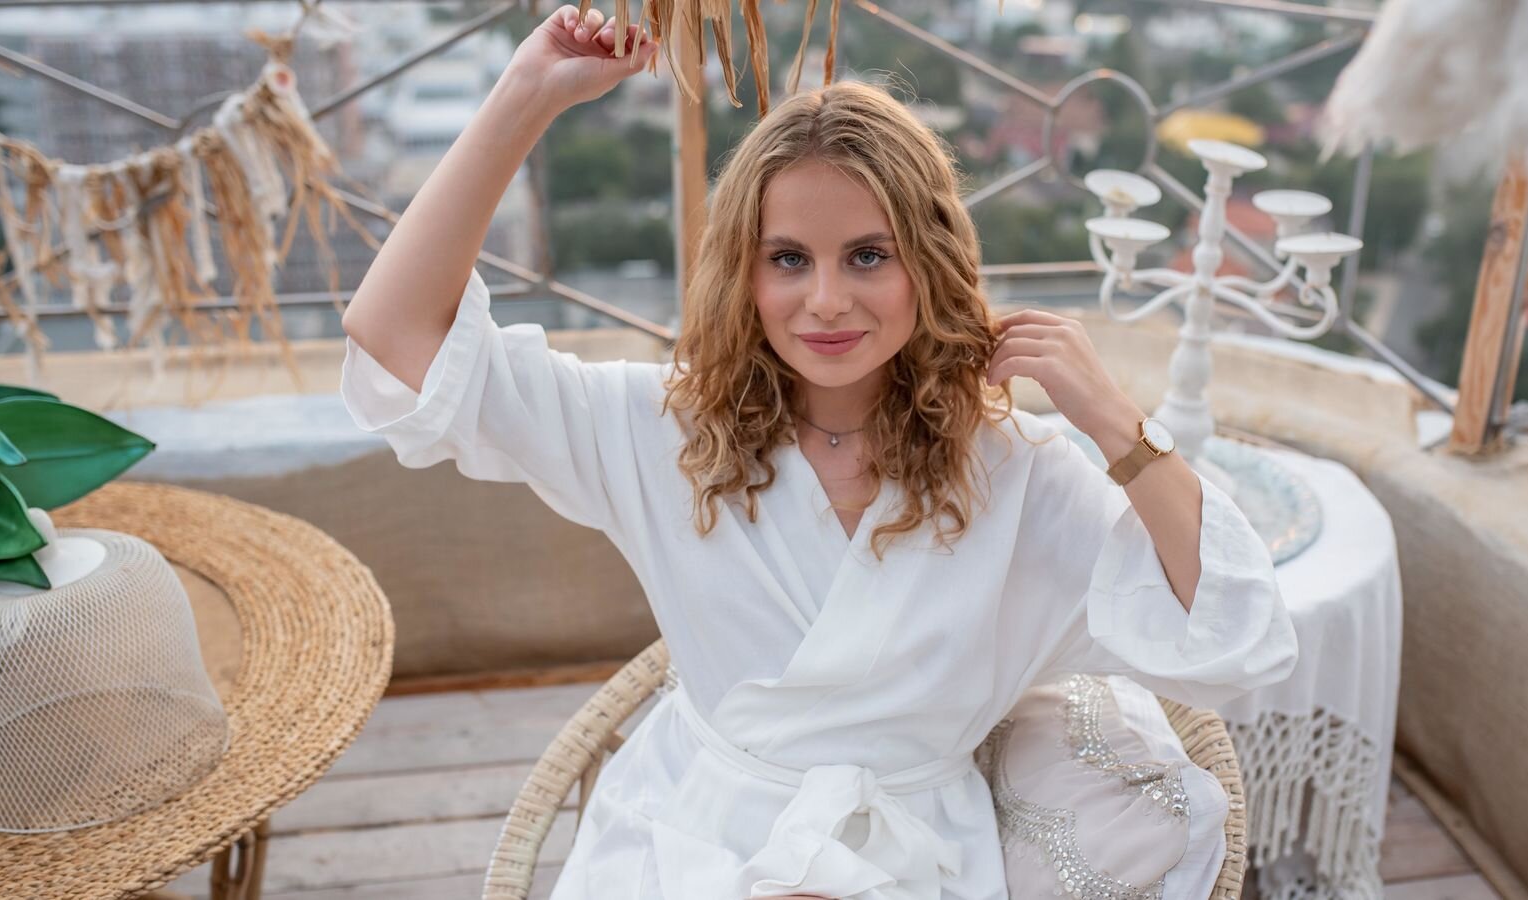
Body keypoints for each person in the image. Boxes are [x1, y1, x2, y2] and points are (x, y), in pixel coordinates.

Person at [339, 6, 1298, 899]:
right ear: (744, 270)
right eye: (789, 258)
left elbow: (1235, 634)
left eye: (868, 256)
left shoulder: (1016, 469)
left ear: (927, 262)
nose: (827, 302)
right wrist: (526, 93)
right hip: (692, 843)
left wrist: (1118, 425)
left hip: (912, 857)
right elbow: (394, 339)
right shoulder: (663, 428)